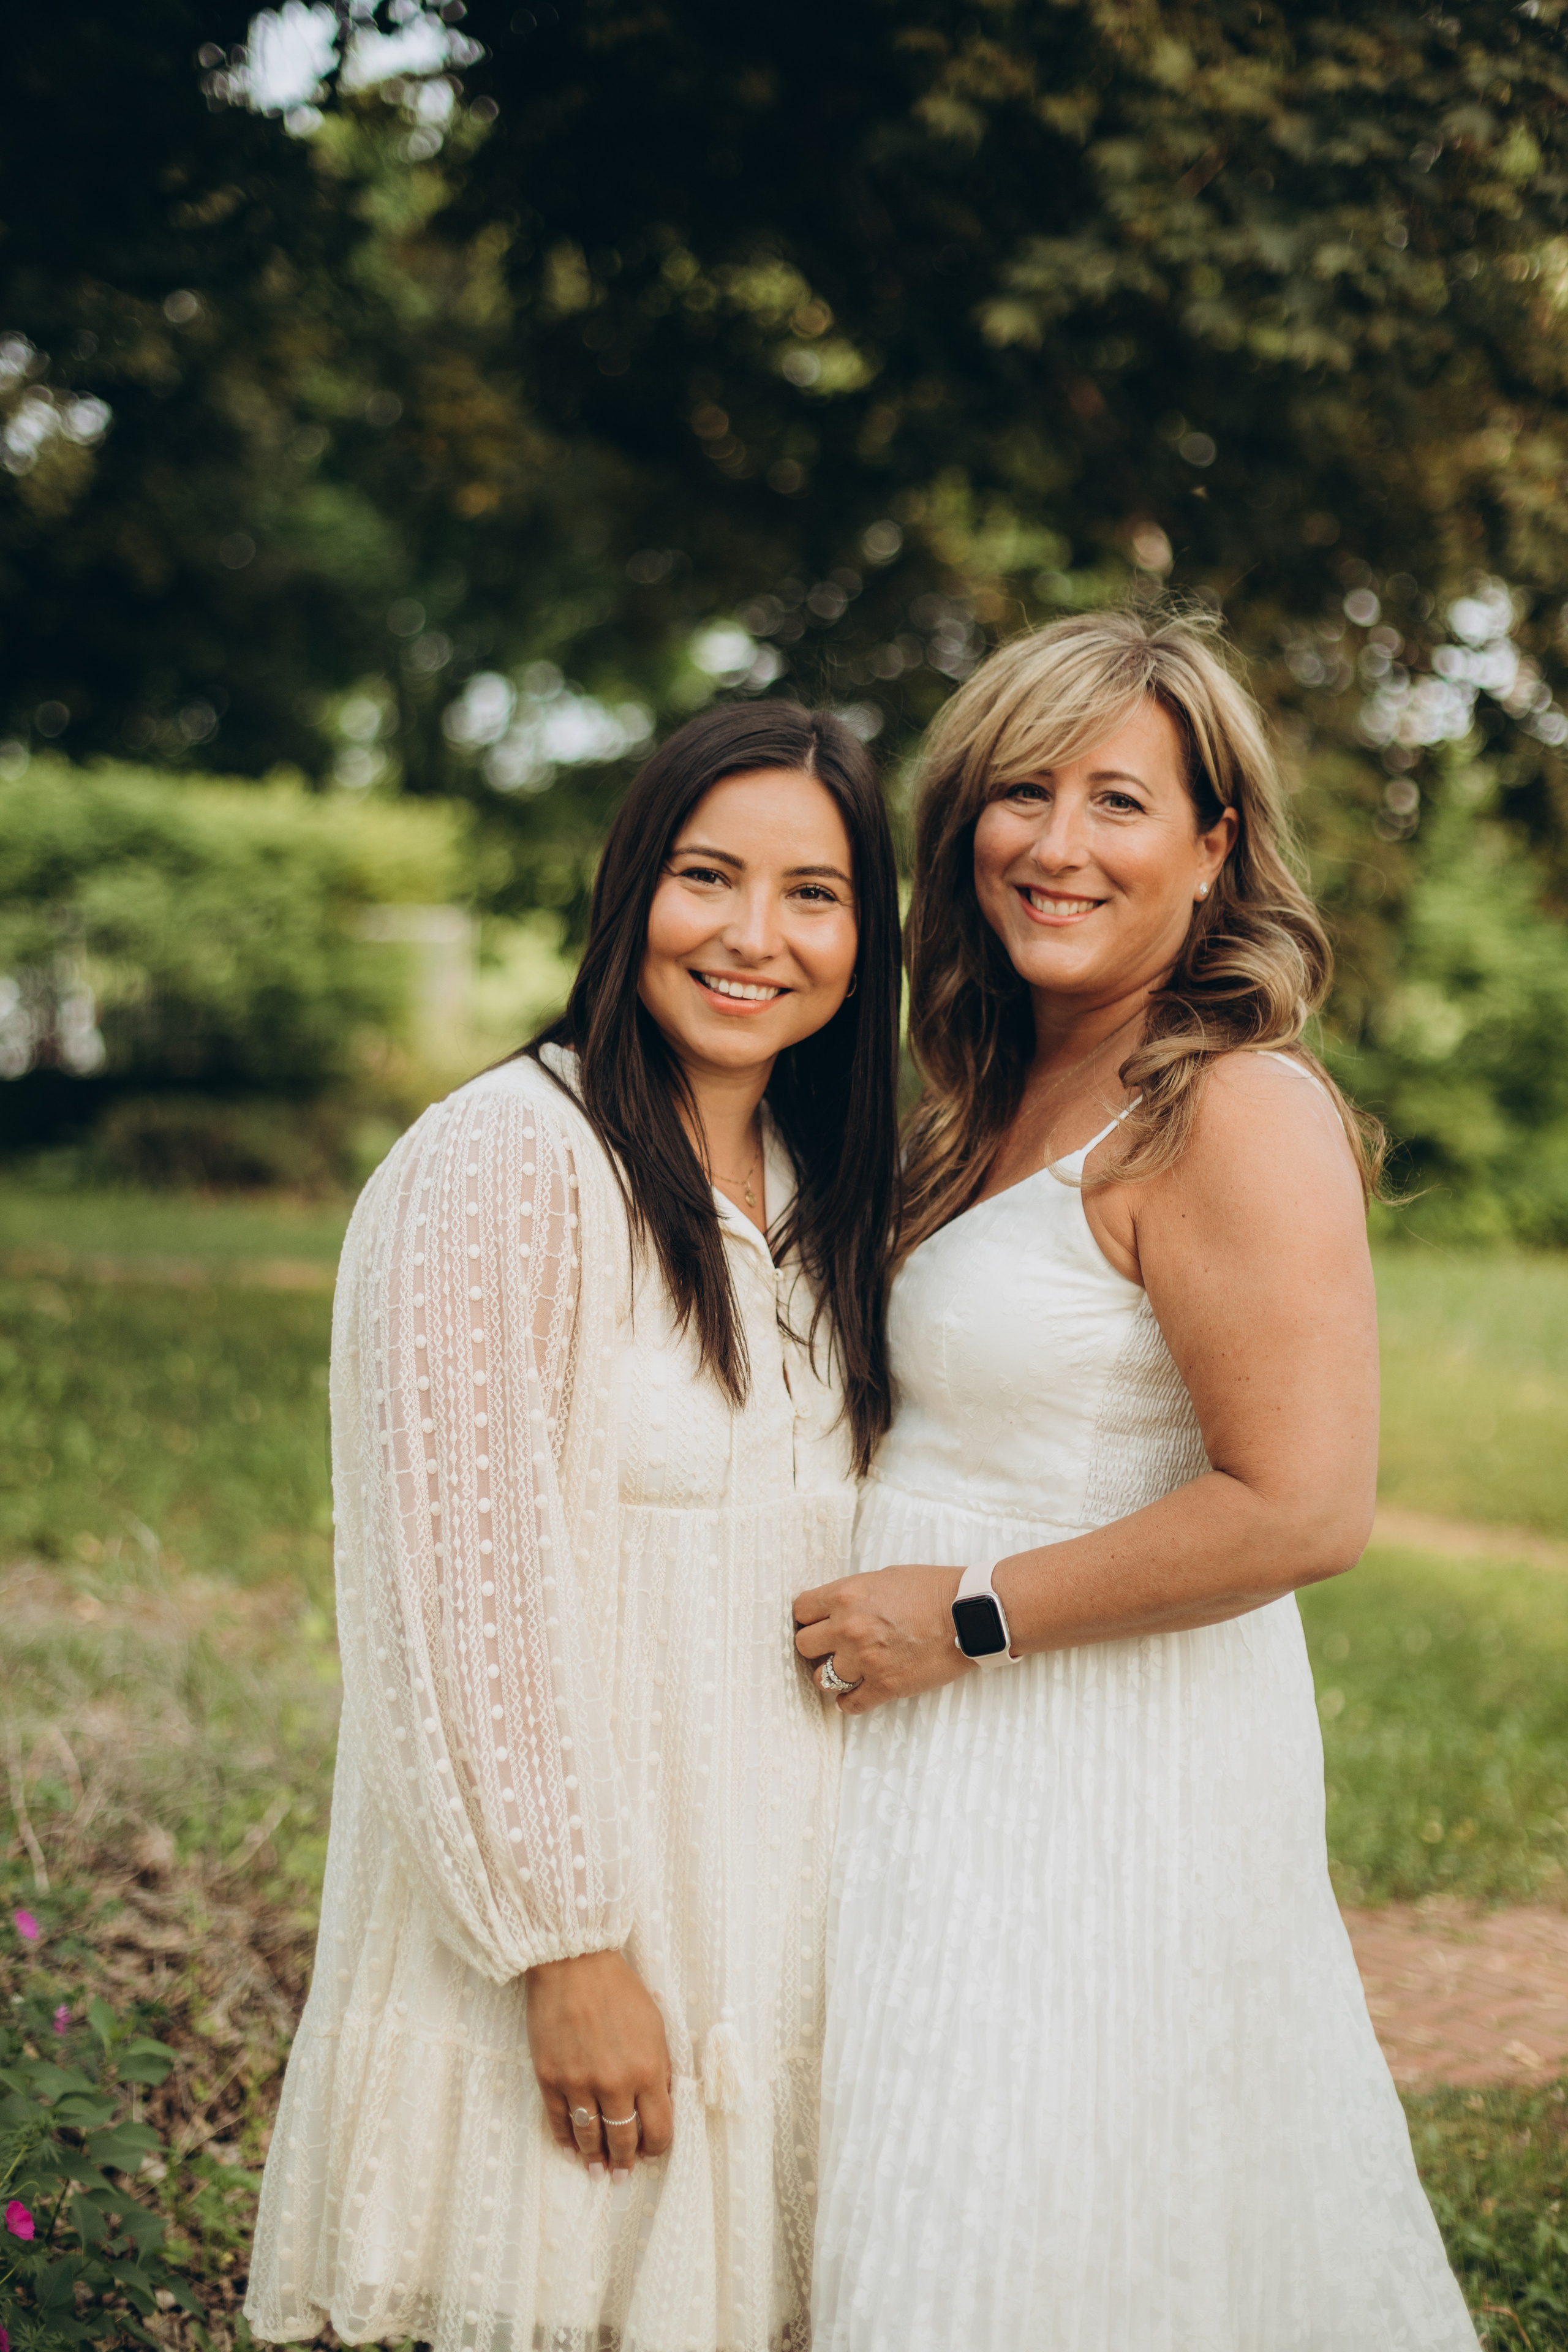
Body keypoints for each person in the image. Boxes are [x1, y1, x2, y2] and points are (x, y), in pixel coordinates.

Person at [796, 609, 1479, 2350]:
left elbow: (1303, 1504)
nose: (1059, 842)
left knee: (1062, 2213)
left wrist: (962, 1617)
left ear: (1215, 846)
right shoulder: (991, 1088)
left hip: (1096, 1767)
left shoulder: (1230, 1106)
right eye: (1022, 793)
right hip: (942, 1770)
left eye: (1119, 799)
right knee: (946, 2185)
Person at [245, 702, 902, 2352]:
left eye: (814, 895)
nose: (756, 937)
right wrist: (565, 1946)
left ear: (866, 934)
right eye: (708, 877)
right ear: (630, 893)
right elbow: (457, 1590)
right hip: (586, 1943)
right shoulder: (507, 1163)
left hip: (774, 1919)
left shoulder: (824, 1195)